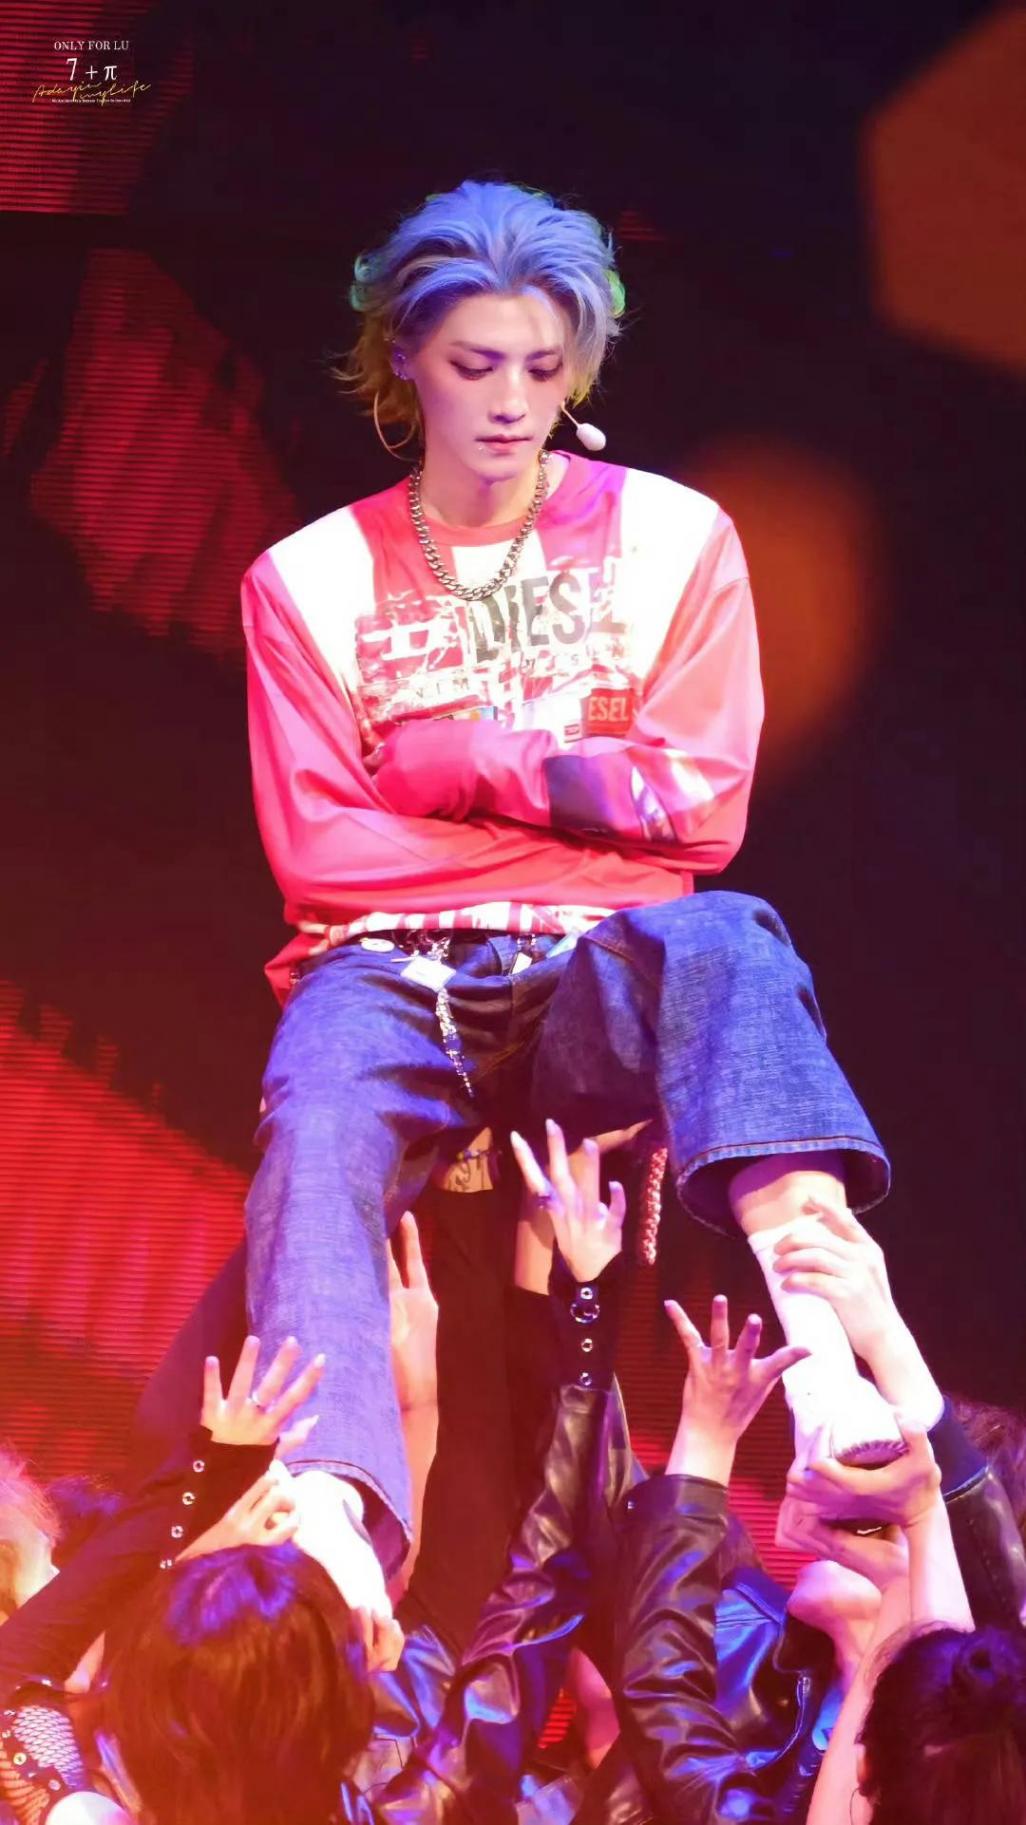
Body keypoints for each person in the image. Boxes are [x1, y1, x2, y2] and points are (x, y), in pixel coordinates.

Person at [241, 173, 899, 1623]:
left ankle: (826, 1347)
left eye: (544, 368)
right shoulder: (305, 581)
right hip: (383, 971)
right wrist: (587, 824)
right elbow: (320, 859)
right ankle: (334, 1506)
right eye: (476, 364)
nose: (510, 402)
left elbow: (702, 816)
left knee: (725, 935)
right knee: (320, 1104)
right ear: (405, 359)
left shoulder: (676, 540)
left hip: (594, 976)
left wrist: (461, 761)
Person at [606, 1290, 1026, 1825]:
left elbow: (665, 1689)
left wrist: (706, 1439)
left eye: (876, 1508)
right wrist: (917, 1538)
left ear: (867, 1772)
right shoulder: (753, 1648)